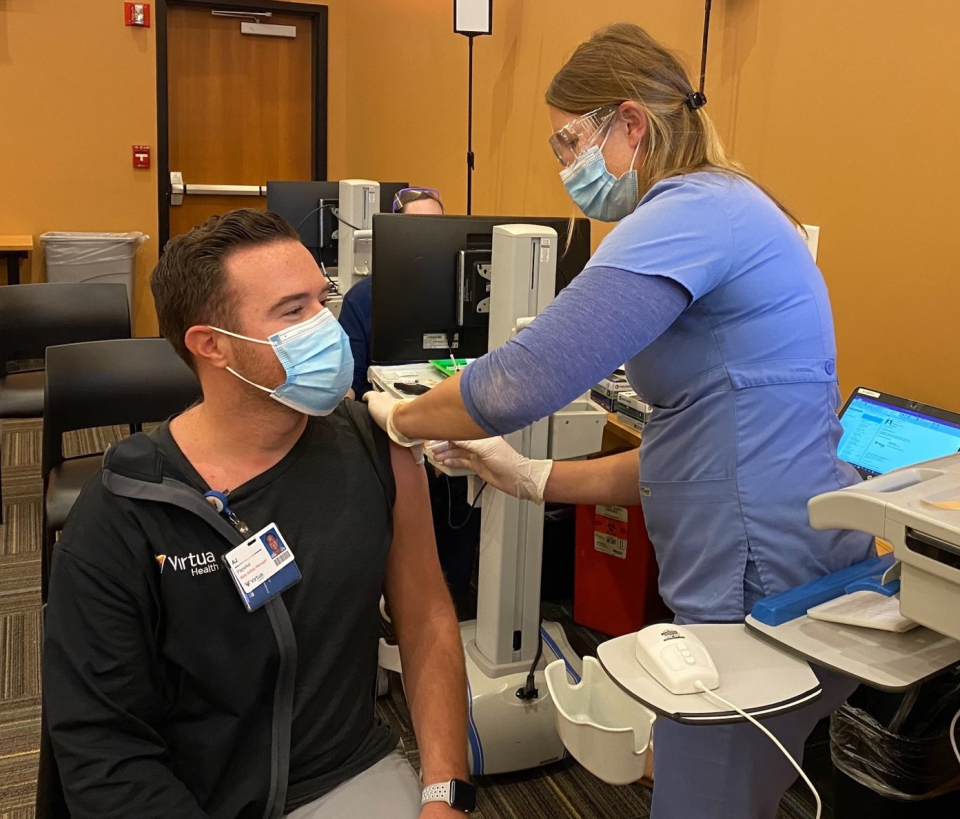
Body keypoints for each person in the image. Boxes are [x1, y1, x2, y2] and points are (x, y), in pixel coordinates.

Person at [364, 23, 875, 819]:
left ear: (630, 122)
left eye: (570, 139)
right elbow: (696, 450)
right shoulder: (734, 206)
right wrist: (528, 475)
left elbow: (518, 380)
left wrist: (402, 416)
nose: (566, 162)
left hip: (758, 587)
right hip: (785, 558)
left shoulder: (690, 213)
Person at [43, 210, 471, 819]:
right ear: (211, 345)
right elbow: (100, 744)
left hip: (343, 773)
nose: (327, 327)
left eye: (322, 300)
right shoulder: (124, 511)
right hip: (192, 794)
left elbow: (426, 614)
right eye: (293, 312)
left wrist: (445, 793)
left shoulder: (377, 448)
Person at [339, 188, 479, 612]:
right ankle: (398, 605)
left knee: (466, 497)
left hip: (454, 431)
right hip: (392, 431)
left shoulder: (468, 297)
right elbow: (352, 386)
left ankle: (455, 599)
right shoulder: (362, 300)